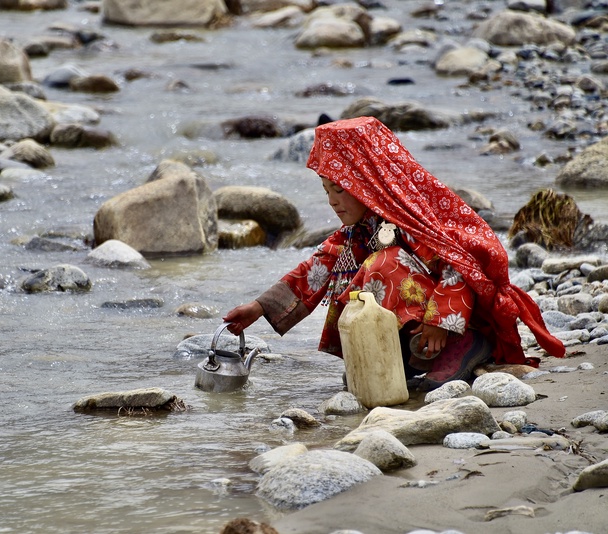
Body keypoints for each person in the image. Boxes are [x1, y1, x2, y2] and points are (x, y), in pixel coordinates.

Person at [223, 116, 566, 391]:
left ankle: (462, 349)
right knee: (359, 281)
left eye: (341, 189)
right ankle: (403, 359)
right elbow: (316, 268)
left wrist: (439, 323)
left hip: (457, 323)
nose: (332, 201)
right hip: (422, 328)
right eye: (327, 190)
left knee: (381, 265)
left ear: (367, 182)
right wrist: (259, 307)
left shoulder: (415, 219)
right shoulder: (360, 230)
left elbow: (458, 267)